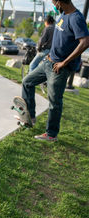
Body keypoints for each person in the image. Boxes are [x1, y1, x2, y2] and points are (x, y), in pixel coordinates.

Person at [21, 0, 89, 141]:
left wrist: (64, 62)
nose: (53, 5)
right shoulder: (63, 14)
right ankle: (30, 116)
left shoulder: (76, 18)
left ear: (59, 2)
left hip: (59, 68)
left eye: (53, 2)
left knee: (54, 101)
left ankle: (51, 134)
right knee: (27, 81)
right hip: (48, 62)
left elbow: (85, 42)